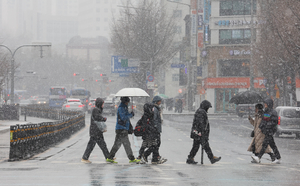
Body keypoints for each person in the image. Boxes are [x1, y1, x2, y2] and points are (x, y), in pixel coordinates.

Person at [106, 97, 140, 164]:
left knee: (117, 145)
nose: (128, 103)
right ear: (125, 102)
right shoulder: (121, 108)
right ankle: (131, 158)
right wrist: (130, 115)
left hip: (122, 128)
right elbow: (123, 117)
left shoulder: (124, 107)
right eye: (127, 102)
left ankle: (110, 157)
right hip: (122, 129)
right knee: (126, 144)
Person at [186, 100, 221, 164]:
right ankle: (211, 158)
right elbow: (201, 123)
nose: (208, 109)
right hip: (200, 133)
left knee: (196, 146)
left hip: (197, 132)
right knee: (205, 146)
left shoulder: (200, 111)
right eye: (208, 107)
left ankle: (190, 158)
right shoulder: (201, 112)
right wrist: (203, 132)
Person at [252, 98, 281, 164]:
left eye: (266, 103)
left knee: (264, 144)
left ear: (269, 104)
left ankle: (258, 157)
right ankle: (278, 158)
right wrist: (261, 127)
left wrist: (268, 126)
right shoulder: (266, 112)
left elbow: (274, 122)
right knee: (272, 145)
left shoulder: (273, 112)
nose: (264, 105)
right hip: (266, 130)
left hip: (270, 131)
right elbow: (263, 120)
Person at [81, 98, 109, 164]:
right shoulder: (96, 110)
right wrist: (103, 119)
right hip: (96, 131)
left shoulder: (97, 109)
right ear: (100, 104)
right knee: (102, 145)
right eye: (102, 104)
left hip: (95, 131)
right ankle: (108, 157)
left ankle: (85, 157)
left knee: (91, 145)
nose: (103, 105)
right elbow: (97, 117)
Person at [141, 96, 166, 164]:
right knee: (156, 144)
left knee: (156, 144)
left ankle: (154, 158)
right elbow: (154, 119)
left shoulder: (157, 108)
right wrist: (155, 128)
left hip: (155, 128)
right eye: (159, 101)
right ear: (156, 101)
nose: (160, 102)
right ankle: (147, 155)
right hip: (155, 129)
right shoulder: (155, 109)